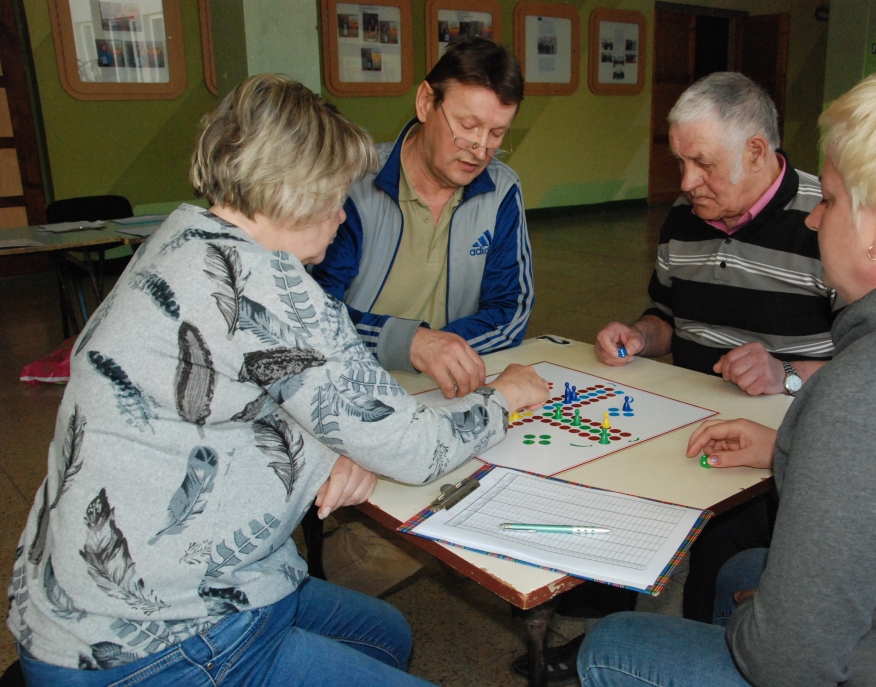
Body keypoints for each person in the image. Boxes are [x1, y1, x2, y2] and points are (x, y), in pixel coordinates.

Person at [6, 74, 548, 687]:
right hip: (161, 639)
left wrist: (331, 443)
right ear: (293, 192)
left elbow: (233, 392)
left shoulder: (183, 235)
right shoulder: (271, 288)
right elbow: (416, 446)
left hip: (70, 608)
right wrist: (502, 397)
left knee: (386, 634)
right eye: (335, 197)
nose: (343, 216)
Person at [577, 53, 876, 686]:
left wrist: (766, 627)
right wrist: (793, 445)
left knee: (614, 645)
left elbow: (787, 663)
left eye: (834, 201)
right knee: (740, 574)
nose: (816, 217)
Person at [596, 72, 839, 625]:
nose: (686, 181)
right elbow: (666, 317)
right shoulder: (684, 220)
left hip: (774, 439)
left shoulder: (827, 220)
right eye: (679, 161)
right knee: (608, 482)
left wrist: (787, 374)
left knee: (724, 543)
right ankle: (605, 620)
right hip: (687, 416)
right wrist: (638, 335)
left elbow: (868, 365)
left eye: (702, 163)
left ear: (756, 151)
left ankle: (697, 643)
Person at [312, 37, 533, 402]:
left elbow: (511, 309)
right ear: (426, 102)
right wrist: (411, 343)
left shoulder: (502, 190)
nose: (480, 150)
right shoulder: (352, 185)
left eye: (496, 134)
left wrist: (444, 351)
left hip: (443, 390)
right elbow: (312, 314)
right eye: (467, 126)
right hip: (348, 386)